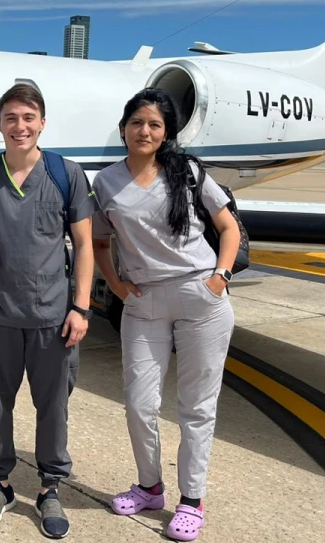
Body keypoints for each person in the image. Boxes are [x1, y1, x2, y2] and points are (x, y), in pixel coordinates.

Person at [91, 87, 240, 542]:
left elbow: (228, 226)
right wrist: (116, 285)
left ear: (166, 132)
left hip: (201, 296)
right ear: (123, 129)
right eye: (137, 122)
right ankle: (150, 486)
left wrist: (221, 276)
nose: (145, 131)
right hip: (144, 302)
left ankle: (191, 500)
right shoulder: (106, 181)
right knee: (139, 403)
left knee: (196, 407)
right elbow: (99, 241)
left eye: (155, 124)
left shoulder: (188, 172)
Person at [0, 84, 95, 539]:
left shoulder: (66, 173)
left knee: (52, 405)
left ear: (42, 122)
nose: (20, 126)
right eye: (11, 118)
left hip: (53, 315)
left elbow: (83, 245)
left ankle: (49, 486)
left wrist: (81, 306)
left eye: (28, 117)